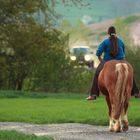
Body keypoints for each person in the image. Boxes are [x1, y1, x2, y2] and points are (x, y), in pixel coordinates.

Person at [87, 26, 140, 100]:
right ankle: (136, 92)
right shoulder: (121, 41)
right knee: (130, 73)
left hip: (107, 60)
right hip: (121, 60)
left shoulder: (105, 41)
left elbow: (98, 53)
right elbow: (123, 53)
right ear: (115, 33)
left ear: (108, 33)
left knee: (96, 74)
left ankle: (93, 94)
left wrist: (101, 60)